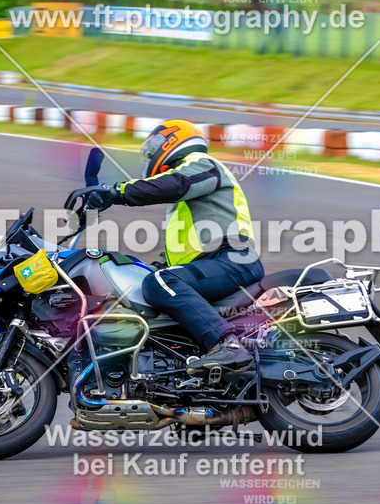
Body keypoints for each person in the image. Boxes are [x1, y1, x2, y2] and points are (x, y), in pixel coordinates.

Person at [67, 120, 263, 374]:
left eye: (154, 146)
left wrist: (116, 192)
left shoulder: (202, 164)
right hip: (213, 264)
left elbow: (175, 184)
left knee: (161, 282)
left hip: (234, 259)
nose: (150, 155)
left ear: (174, 140)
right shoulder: (183, 205)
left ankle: (228, 345)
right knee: (145, 283)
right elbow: (179, 258)